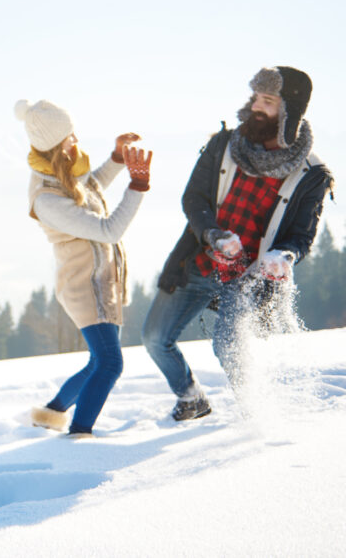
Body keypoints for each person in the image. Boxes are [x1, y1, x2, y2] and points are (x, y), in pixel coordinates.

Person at [141, 66, 333, 421]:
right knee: (154, 337)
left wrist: (284, 255)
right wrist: (212, 233)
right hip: (197, 262)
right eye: (256, 97)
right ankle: (191, 397)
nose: (256, 106)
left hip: (246, 280)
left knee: (228, 348)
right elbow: (193, 198)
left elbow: (302, 236)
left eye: (268, 100)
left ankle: (256, 418)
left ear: (289, 112)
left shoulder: (311, 173)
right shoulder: (225, 145)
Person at [16, 100, 152, 438]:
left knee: (97, 361)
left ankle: (51, 413)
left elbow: (90, 189)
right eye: (68, 137)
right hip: (83, 286)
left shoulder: (64, 171)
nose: (75, 140)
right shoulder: (45, 197)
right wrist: (138, 186)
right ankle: (79, 435)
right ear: (54, 145)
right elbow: (109, 230)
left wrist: (117, 158)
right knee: (110, 364)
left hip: (103, 281)